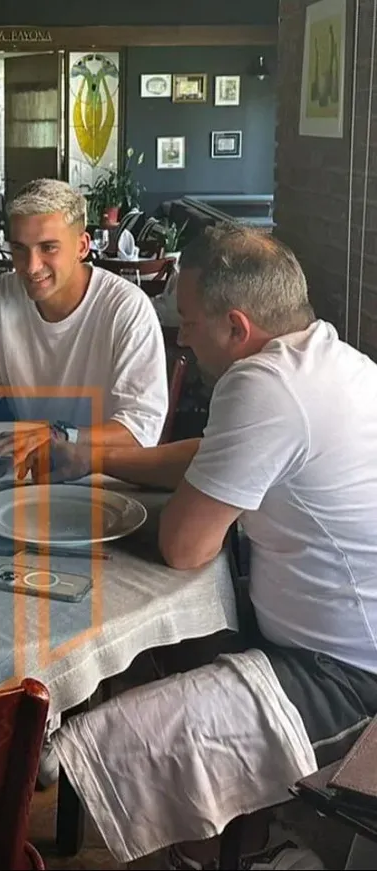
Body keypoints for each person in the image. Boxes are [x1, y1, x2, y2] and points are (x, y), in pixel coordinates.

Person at [36, 224, 377, 869]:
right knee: (142, 653)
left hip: (344, 676)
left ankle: (207, 852)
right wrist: (97, 460)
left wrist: (112, 479)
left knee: (105, 743)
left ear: (237, 326)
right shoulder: (330, 357)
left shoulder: (263, 386)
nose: (182, 335)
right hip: (330, 641)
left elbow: (184, 547)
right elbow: (215, 459)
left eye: (189, 321)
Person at [0, 178, 169, 476]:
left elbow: (140, 429)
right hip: (26, 475)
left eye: (48, 248)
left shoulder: (127, 310)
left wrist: (59, 435)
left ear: (82, 246)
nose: (31, 266)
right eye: (19, 249)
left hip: (106, 478)